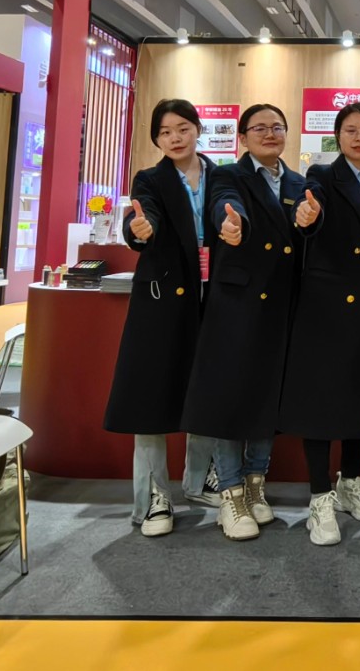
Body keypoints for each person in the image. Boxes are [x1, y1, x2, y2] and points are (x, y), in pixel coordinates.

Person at [181, 103, 318, 541]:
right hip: (237, 302)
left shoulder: (298, 183)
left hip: (282, 301)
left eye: (277, 127)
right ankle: (231, 492)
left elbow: (304, 230)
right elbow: (225, 206)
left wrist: (309, 223)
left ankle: (257, 483)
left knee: (266, 395)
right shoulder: (227, 175)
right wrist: (230, 223)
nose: (270, 134)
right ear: (242, 137)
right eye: (260, 128)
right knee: (231, 395)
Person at [277, 102, 360, 545]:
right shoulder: (322, 175)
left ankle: (352, 480)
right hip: (328, 306)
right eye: (350, 130)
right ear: (337, 137)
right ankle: (319, 496)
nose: (359, 137)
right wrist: (307, 217)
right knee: (322, 402)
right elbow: (311, 210)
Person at [102, 99, 212, 537]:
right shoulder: (149, 178)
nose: (175, 138)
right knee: (151, 395)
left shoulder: (219, 175)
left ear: (197, 129)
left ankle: (200, 479)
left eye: (182, 128)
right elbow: (141, 214)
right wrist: (138, 229)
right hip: (162, 297)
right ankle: (152, 498)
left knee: (207, 388)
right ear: (157, 139)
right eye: (165, 132)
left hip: (212, 296)